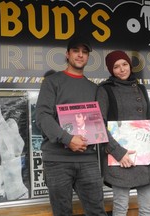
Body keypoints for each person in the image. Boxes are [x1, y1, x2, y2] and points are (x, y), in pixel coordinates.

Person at [35, 36, 107, 216]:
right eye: (76, 51)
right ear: (67, 54)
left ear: (88, 57)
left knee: (97, 211)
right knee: (62, 213)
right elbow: (42, 117)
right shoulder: (52, 82)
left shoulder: (95, 89)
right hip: (57, 160)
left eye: (84, 52)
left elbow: (99, 125)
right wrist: (67, 138)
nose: (80, 55)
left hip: (87, 159)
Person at [96, 50, 150, 216]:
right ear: (111, 70)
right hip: (119, 157)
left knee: (147, 208)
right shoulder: (105, 90)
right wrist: (118, 152)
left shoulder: (141, 88)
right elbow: (99, 125)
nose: (122, 69)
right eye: (116, 67)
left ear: (130, 66)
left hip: (143, 155)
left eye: (124, 64)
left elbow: (148, 120)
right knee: (120, 208)